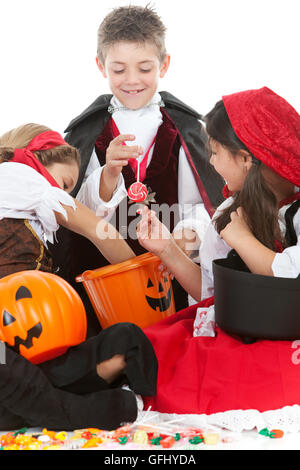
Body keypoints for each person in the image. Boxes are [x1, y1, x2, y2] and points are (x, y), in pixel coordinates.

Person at [52, 5, 224, 334]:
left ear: (165, 64)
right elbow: (76, 211)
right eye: (119, 70)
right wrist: (109, 175)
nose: (132, 80)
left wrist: (182, 239)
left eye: (144, 68)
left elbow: (206, 202)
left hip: (169, 277)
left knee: (168, 347)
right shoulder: (86, 133)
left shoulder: (188, 129)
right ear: (101, 66)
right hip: (102, 280)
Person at [136, 87, 300, 422]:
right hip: (241, 327)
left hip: (288, 337)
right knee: (143, 350)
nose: (210, 162)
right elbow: (213, 294)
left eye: (215, 152)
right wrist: (167, 248)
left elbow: (290, 273)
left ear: (245, 158)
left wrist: (241, 238)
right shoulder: (229, 210)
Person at [0, 124, 157, 431]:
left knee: (124, 337)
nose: (64, 193)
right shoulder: (20, 179)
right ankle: (69, 410)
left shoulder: (24, 206)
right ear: (36, 159)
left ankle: (32, 404)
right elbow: (102, 233)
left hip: (22, 349)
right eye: (65, 183)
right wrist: (141, 275)